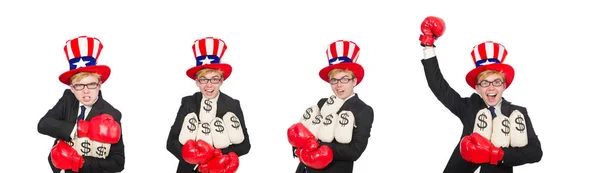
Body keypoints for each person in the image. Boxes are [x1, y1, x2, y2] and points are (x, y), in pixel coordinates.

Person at [418, 16, 543, 173]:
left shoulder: (517, 113)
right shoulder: (469, 107)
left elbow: (535, 152)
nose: (491, 88)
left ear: (504, 86)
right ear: (477, 88)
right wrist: (428, 46)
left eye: (496, 82)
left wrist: (498, 154)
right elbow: (439, 87)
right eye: (485, 83)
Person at [37, 36, 125, 173]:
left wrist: (81, 162)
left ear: (99, 85)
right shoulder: (68, 99)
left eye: (91, 84)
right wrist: (77, 129)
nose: (85, 91)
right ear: (72, 88)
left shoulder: (112, 114)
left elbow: (118, 163)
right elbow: (43, 124)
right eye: (79, 85)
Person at [287, 40, 374, 173]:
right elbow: (309, 131)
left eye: (344, 79)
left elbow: (355, 151)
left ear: (354, 81)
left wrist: (320, 147)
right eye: (334, 80)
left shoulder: (363, 110)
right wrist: (298, 145)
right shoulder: (322, 103)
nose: (338, 85)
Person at [166, 37, 251, 173]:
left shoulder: (232, 105)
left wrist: (213, 158)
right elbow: (171, 142)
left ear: (222, 81)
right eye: (204, 79)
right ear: (197, 82)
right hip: (188, 169)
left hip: (219, 169)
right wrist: (195, 158)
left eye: (214, 79)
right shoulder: (188, 102)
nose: (209, 85)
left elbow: (245, 145)